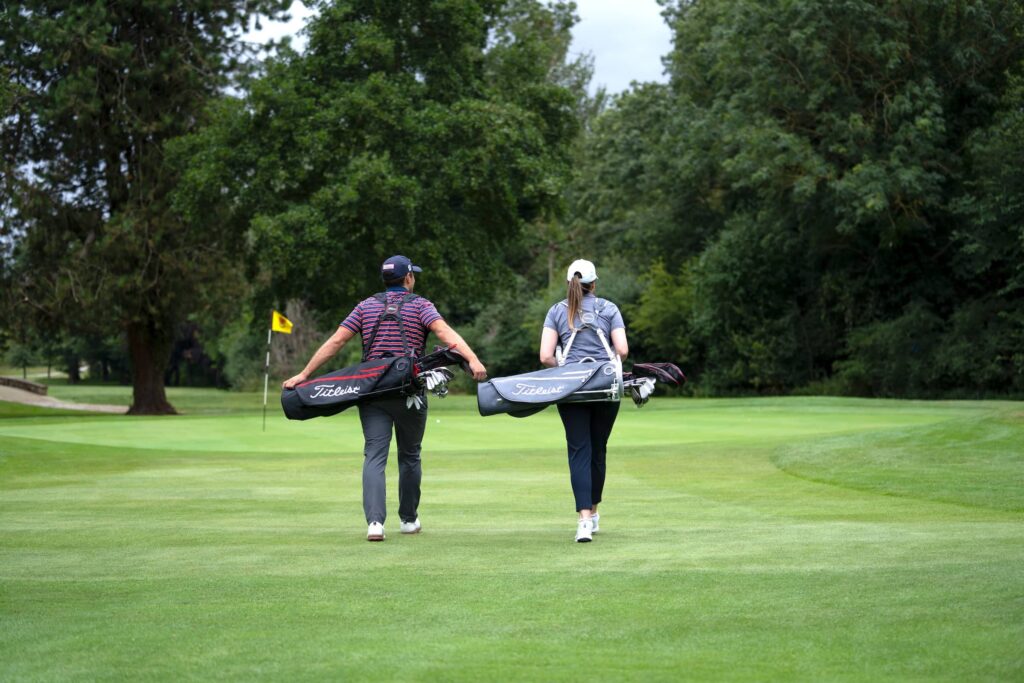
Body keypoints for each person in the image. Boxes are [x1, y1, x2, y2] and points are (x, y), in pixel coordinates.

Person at [283, 255, 487, 541]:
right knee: (410, 456)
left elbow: (336, 341)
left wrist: (305, 374)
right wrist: (473, 360)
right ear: (408, 279)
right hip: (409, 392)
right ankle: (408, 520)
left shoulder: (365, 306)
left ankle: (375, 524)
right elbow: (446, 334)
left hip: (372, 391)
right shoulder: (421, 306)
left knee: (374, 455)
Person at [539, 259, 628, 543]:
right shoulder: (609, 308)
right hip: (605, 388)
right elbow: (622, 351)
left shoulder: (556, 311)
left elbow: (545, 357)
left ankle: (584, 520)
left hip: (571, 390)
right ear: (594, 284)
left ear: (569, 284)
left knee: (579, 450)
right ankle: (595, 511)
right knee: (598, 449)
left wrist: (565, 367)